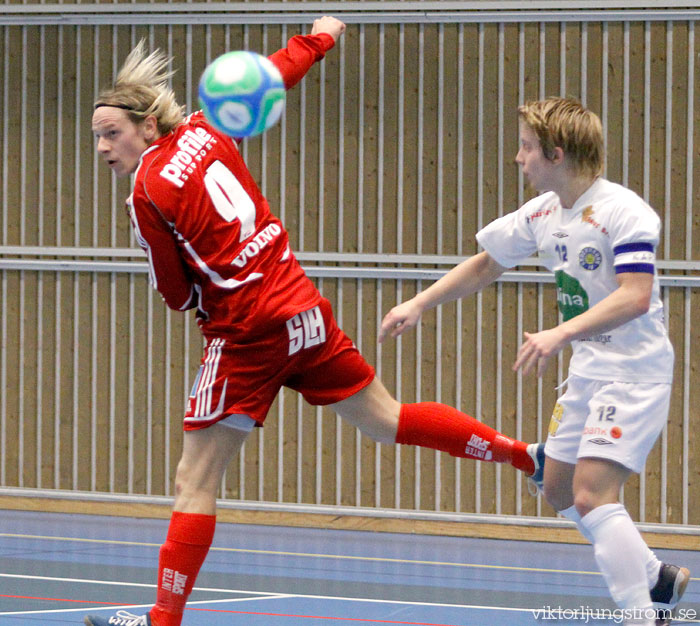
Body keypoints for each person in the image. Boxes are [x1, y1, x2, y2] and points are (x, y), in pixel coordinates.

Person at [84, 17, 544, 626]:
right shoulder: (209, 128)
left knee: (193, 481)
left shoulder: (146, 189)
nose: (102, 148)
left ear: (147, 126)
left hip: (247, 333)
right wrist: (322, 35)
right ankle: (524, 456)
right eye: (95, 138)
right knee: (388, 419)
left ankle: (161, 621)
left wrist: (182, 267)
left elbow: (175, 296)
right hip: (303, 309)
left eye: (111, 133)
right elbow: (271, 76)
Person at [379, 97, 690, 626]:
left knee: (592, 496)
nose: (518, 158)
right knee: (558, 488)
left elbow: (636, 295)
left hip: (634, 373)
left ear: (557, 153)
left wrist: (561, 332)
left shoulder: (624, 211)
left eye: (526, 148)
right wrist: (419, 302)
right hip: (590, 369)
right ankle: (655, 575)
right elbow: (485, 265)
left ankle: (643, 617)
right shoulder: (544, 211)